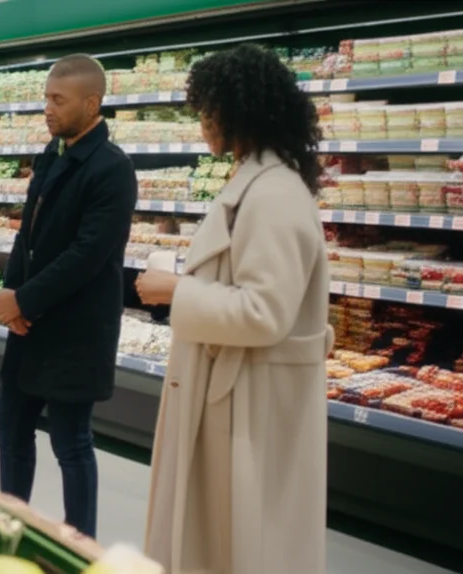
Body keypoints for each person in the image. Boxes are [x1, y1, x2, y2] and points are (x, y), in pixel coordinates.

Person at [137, 43, 331, 574]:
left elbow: (266, 312)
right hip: (236, 394)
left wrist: (177, 292)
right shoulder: (260, 182)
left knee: (245, 545)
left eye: (208, 111)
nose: (203, 124)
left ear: (239, 111)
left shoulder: (274, 194)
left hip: (250, 405)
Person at [0, 54, 137, 539]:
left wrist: (24, 301)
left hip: (75, 329)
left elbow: (87, 255)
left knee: (71, 443)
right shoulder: (51, 155)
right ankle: (13, 526)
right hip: (29, 323)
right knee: (10, 430)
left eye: (59, 99)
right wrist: (11, 293)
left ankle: (80, 546)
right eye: (46, 98)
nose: (48, 108)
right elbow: (26, 236)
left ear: (91, 103)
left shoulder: (111, 169)